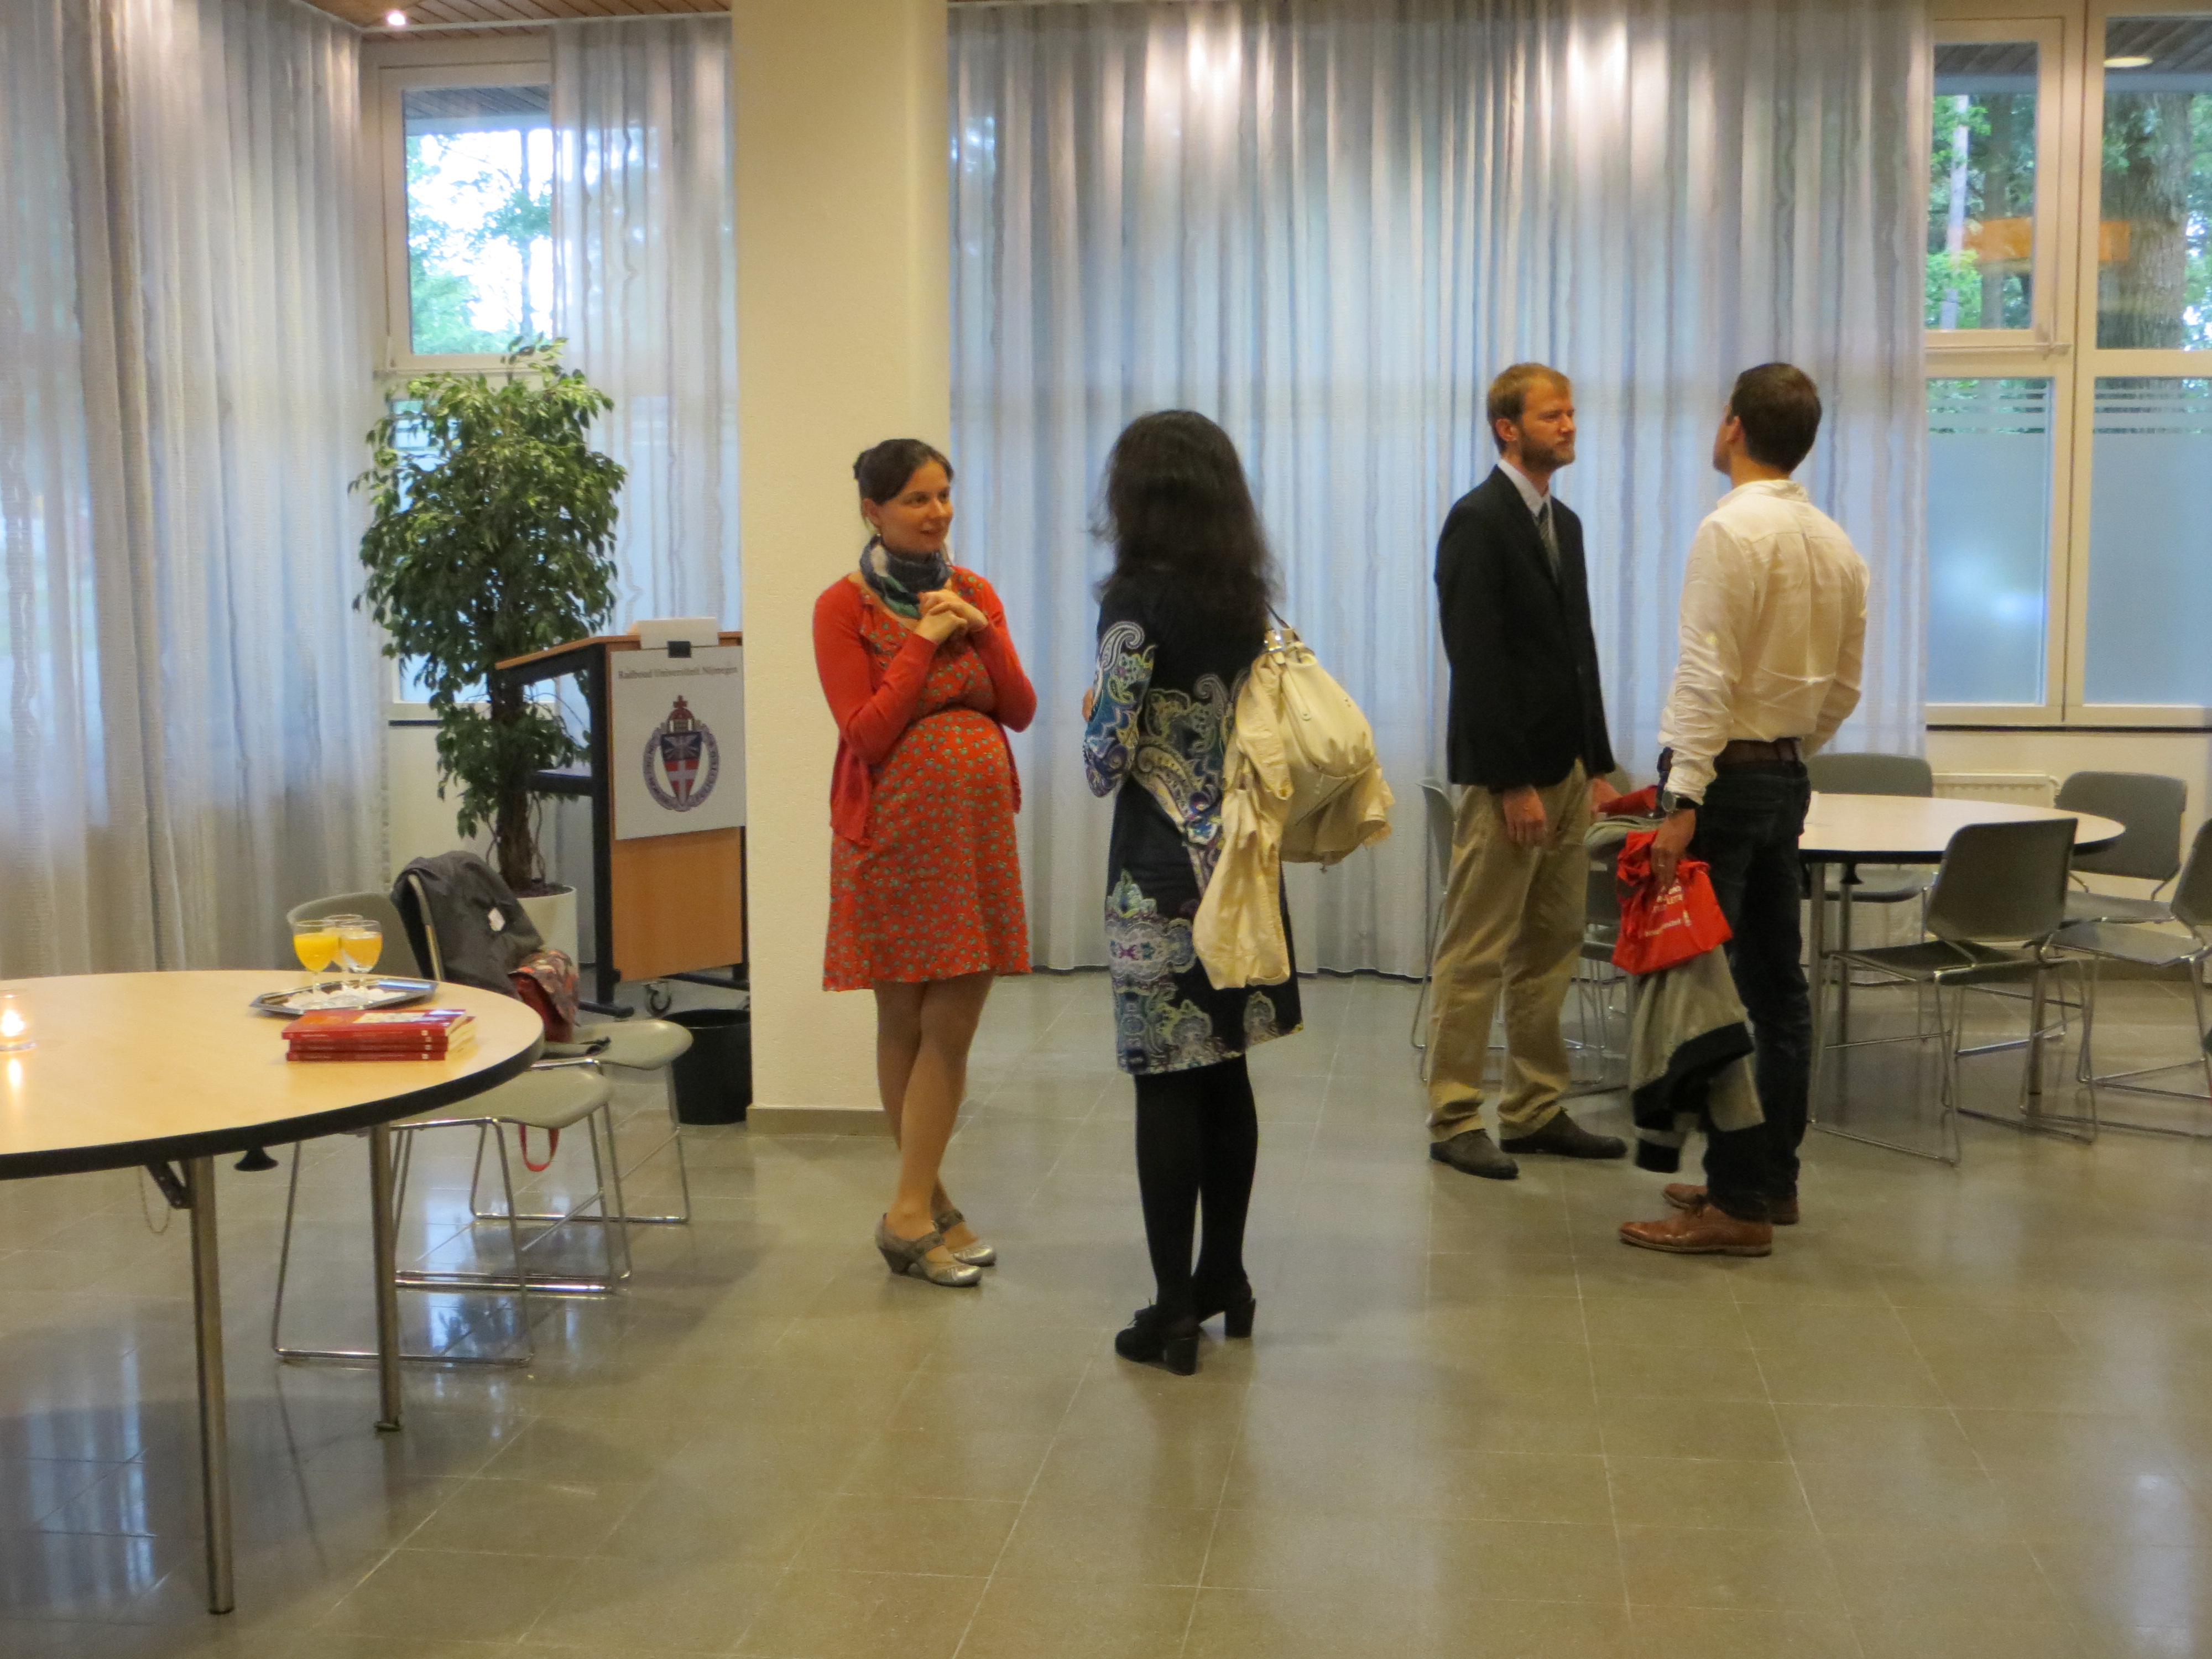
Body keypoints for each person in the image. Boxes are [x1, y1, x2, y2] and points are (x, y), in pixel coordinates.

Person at [1619, 363, 1869, 1256]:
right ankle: (1771, 1181)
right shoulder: (1836, 544)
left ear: (1732, 426)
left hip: (1723, 784)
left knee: (1708, 994)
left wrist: (1684, 795)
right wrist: (1789, 749)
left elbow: (1705, 673)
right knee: (1777, 990)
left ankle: (1736, 1204)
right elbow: (1844, 688)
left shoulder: (1729, 530)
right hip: (1785, 778)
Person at [1081, 411, 1298, 1376]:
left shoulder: (1135, 602)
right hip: (1243, 871)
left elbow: (1104, 759)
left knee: (1165, 1084)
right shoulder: (1248, 601)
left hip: (1159, 877)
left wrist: (1098, 713)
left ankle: (1172, 1309)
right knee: (1226, 1073)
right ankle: (1227, 1279)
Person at [813, 439, 1036, 1287]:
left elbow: (1019, 707)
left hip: (973, 835)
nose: (937, 512)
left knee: (952, 1021)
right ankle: (914, 1211)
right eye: (916, 499)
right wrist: (924, 641)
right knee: (907, 1020)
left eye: (944, 495)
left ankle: (922, 1205)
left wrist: (979, 631)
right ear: (873, 511)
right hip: (896, 836)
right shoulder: (841, 607)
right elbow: (867, 732)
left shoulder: (974, 589)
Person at [1425, 363, 1626, 1181]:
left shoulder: (1563, 523)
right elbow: (1475, 659)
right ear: (1507, 428)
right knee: (1477, 950)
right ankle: (1453, 1115)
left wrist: (1598, 762)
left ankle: (1535, 1109)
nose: (1569, 426)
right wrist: (1510, 783)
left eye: (1572, 412)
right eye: (1552, 415)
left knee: (1552, 946)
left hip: (1569, 769)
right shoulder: (1477, 520)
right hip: (1510, 776)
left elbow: (1580, 651)